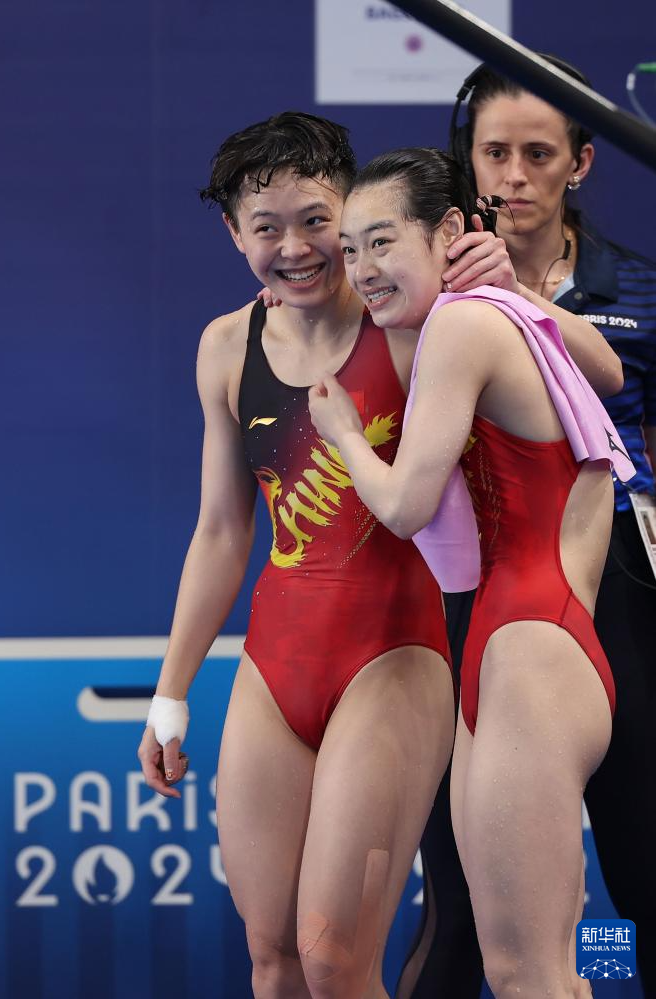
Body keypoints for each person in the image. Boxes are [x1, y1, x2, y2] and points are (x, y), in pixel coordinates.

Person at [137, 111, 465, 999]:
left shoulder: (416, 328)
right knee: (275, 957)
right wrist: (170, 694)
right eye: (266, 227)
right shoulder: (225, 347)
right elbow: (221, 530)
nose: (295, 248)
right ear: (232, 233)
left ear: (351, 211)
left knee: (334, 959)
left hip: (395, 657)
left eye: (317, 220)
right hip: (274, 666)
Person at [308, 145, 631, 998]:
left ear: (450, 229)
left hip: (527, 648)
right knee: (543, 972)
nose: (361, 268)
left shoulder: (459, 325)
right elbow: (609, 368)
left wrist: (342, 435)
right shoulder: (506, 313)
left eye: (382, 241)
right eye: (349, 248)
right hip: (525, 641)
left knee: (526, 975)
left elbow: (405, 505)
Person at [399, 58, 656, 999]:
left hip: (621, 592)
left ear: (579, 161)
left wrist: (518, 295)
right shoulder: (422, 281)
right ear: (465, 160)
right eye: (494, 152)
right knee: (464, 903)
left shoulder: (641, 288)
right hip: (480, 596)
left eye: (537, 154)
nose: (513, 175)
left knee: (639, 875)